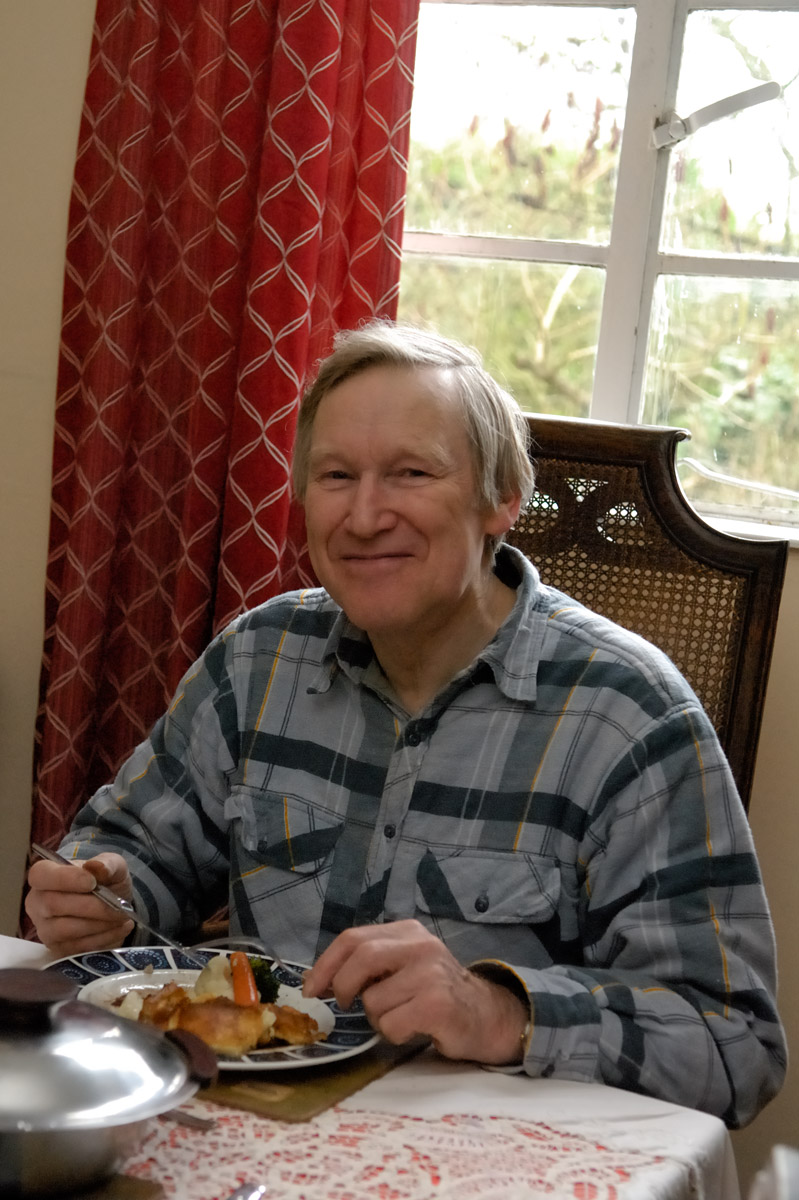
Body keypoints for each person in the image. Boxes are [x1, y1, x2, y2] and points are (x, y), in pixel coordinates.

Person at [26, 320, 785, 1126]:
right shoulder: (256, 660)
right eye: (336, 476)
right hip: (241, 1125)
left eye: (410, 473)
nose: (363, 517)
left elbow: (733, 1046)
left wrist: (498, 1010)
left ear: (501, 500)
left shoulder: (628, 716)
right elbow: (134, 855)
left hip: (487, 1159)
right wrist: (107, 895)